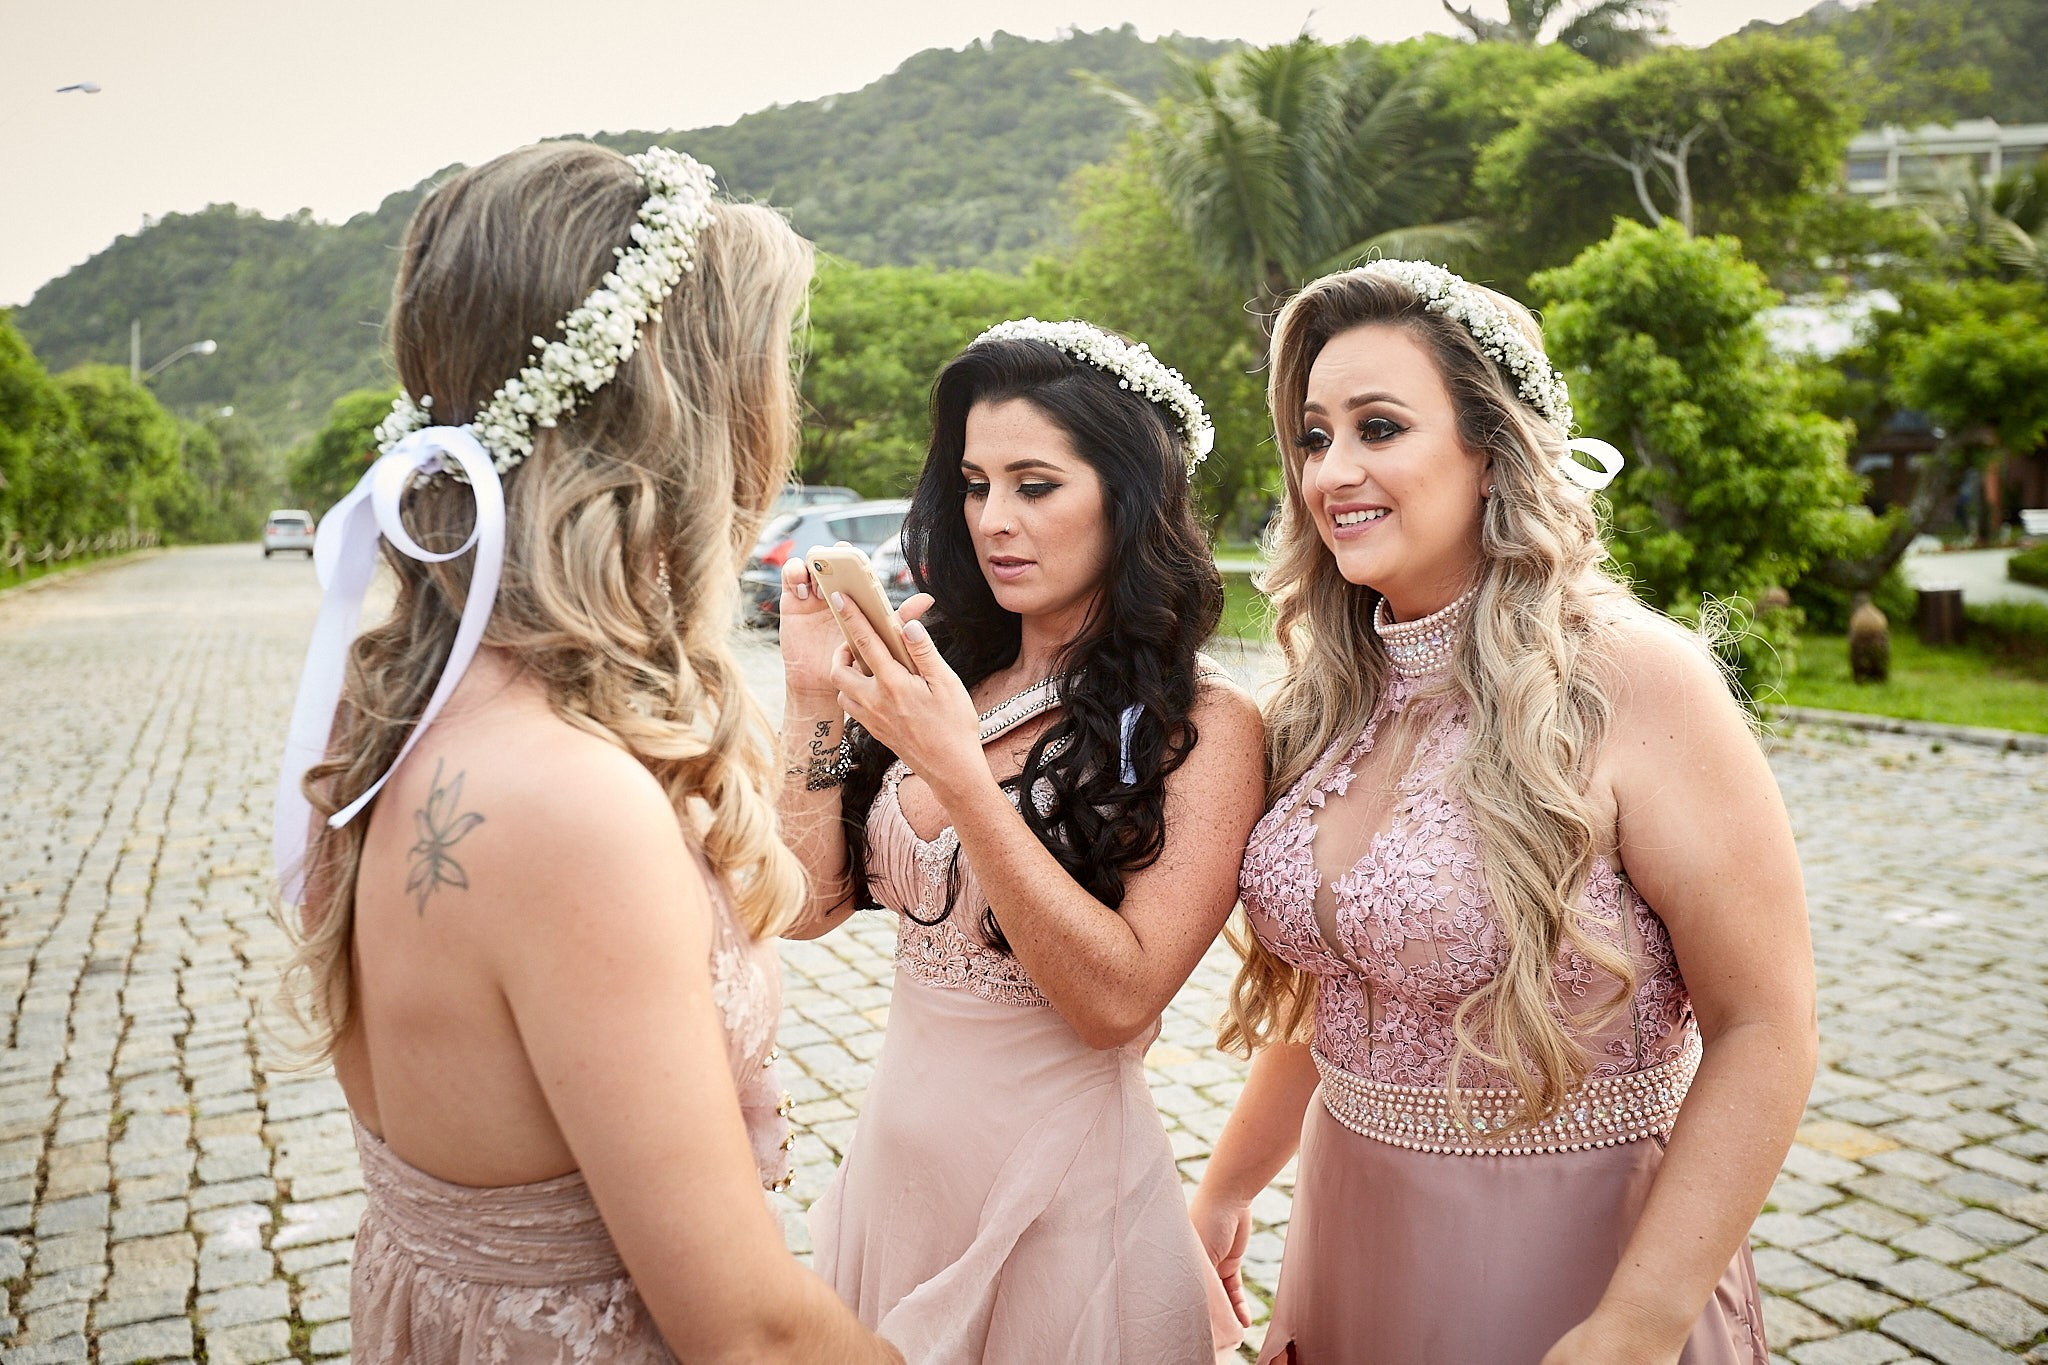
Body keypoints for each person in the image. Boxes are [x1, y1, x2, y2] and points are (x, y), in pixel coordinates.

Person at [271, 141, 900, 1364]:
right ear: (678, 423)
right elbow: (751, 1332)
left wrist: (819, 712)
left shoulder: (396, 704)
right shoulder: (568, 800)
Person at [1191, 262, 1817, 1364]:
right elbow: (1346, 984)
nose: (1332, 471)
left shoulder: (1634, 679)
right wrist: (1225, 1190)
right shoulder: (1322, 700)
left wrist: (1633, 1326)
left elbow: (1765, 1028)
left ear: (1491, 448)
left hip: (1570, 1262)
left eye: (1377, 427)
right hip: (1350, 1246)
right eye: (1312, 436)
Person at [776, 319, 1264, 1364]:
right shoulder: (952, 667)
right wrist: (815, 697)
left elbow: (1114, 1003)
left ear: (1124, 497)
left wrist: (952, 767)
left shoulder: (1205, 726)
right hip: (897, 1177)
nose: (993, 519)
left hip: (1063, 1202)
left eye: (1034, 485)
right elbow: (808, 907)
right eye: (973, 484)